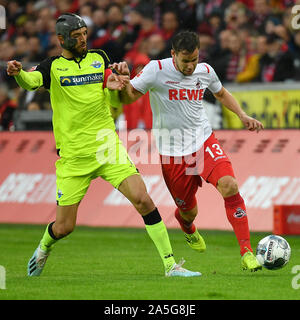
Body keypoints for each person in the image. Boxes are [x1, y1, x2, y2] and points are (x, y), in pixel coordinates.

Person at [7, 14, 200, 278]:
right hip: (74, 157)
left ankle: (170, 265)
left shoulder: (99, 58)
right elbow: (31, 82)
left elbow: (113, 87)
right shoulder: (51, 67)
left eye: (85, 33)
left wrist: (116, 79)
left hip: (107, 148)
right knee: (64, 227)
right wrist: (18, 74)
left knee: (143, 199)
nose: (83, 39)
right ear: (62, 39)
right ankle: (43, 247)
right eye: (77, 36)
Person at [116, 30, 264, 271]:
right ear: (173, 54)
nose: (190, 66)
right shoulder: (156, 69)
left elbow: (221, 93)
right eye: (186, 61)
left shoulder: (205, 71)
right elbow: (129, 96)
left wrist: (242, 115)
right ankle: (186, 226)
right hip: (173, 151)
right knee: (189, 211)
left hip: (203, 141)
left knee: (230, 185)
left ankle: (247, 252)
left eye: (194, 59)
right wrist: (123, 84)